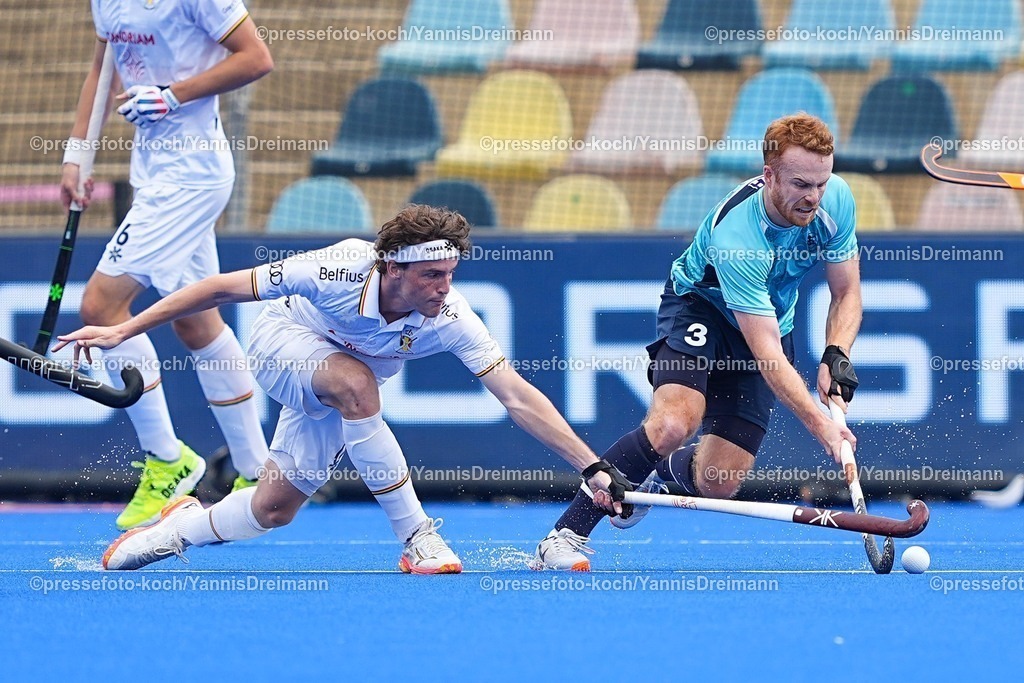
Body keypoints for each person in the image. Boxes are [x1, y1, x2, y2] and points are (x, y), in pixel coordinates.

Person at [54, 205, 633, 574]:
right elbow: (218, 289)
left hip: (338, 380)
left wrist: (592, 466)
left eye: (451, 274)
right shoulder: (339, 267)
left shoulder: (450, 314)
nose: (444, 287)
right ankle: (417, 537)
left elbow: (515, 394)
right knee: (357, 385)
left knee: (273, 508)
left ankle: (175, 529)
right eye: (432, 275)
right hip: (282, 343)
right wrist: (124, 329)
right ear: (393, 270)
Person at [529, 113, 863, 571]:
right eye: (801, 184)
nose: (814, 196)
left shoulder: (836, 201)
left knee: (719, 481)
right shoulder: (738, 238)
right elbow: (766, 355)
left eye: (821, 183)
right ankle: (564, 535)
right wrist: (822, 425)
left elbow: (846, 294)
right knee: (673, 425)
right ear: (769, 176)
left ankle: (654, 476)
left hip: (768, 320)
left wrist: (836, 352)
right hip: (700, 307)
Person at [61, 0, 275, 530]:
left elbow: (256, 58)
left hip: (193, 175)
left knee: (101, 304)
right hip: (154, 172)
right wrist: (77, 155)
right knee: (196, 319)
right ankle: (256, 471)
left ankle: (168, 461)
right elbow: (101, 68)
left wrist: (172, 95)